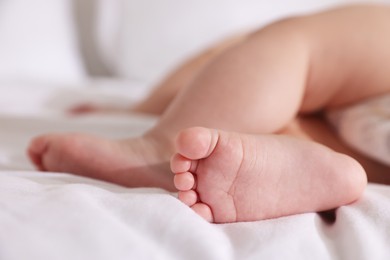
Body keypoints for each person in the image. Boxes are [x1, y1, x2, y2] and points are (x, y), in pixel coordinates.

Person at [28, 5, 390, 223]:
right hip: (374, 158)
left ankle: (160, 146)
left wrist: (146, 110)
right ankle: (333, 173)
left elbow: (208, 80)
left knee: (299, 44)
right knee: (250, 140)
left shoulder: (236, 53)